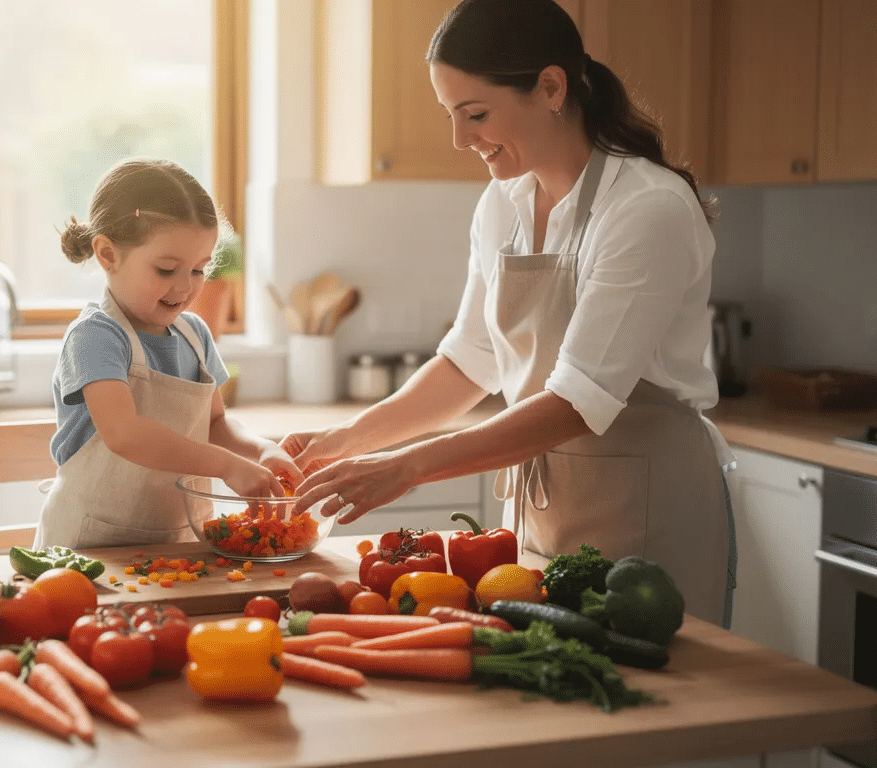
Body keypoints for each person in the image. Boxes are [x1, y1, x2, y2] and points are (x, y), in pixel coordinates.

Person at [282, 0, 736, 627]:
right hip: (540, 511)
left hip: (649, 514)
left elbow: (580, 400)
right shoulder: (504, 202)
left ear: (551, 87)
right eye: (451, 115)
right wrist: (342, 444)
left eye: (476, 114)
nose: (459, 139)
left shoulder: (647, 207)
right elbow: (470, 361)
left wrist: (406, 467)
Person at [34, 158, 302, 549]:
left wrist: (262, 450)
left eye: (198, 270)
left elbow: (216, 426)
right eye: (165, 269)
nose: (185, 287)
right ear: (107, 254)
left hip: (175, 549)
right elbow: (124, 434)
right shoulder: (95, 337)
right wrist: (226, 466)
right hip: (86, 552)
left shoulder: (195, 335)